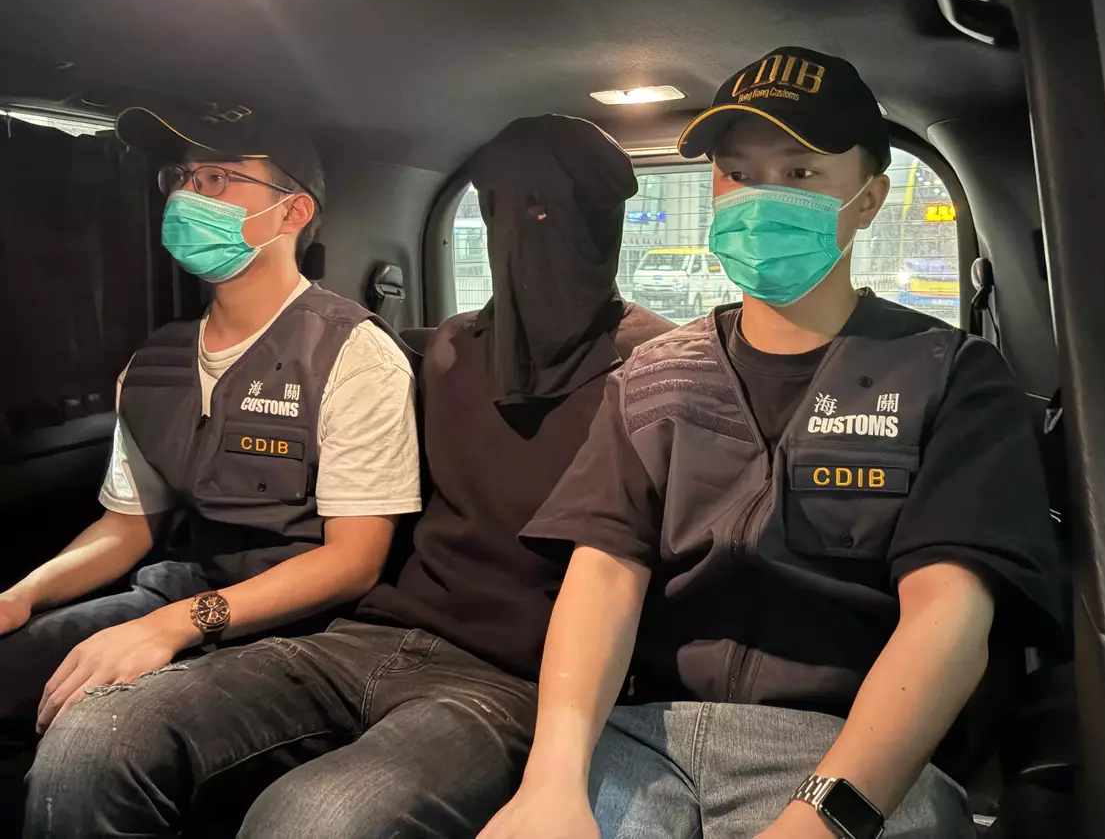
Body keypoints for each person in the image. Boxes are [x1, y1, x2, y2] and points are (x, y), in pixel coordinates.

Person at [23, 113, 673, 839]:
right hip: (371, 634)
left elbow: (629, 567)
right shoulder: (453, 351)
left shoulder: (657, 373)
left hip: (517, 675)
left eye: (549, 209)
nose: (520, 232)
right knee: (95, 738)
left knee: (312, 818)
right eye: (495, 208)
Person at [481, 48, 1064, 839]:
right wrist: (551, 780)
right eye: (738, 173)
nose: (762, 199)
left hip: (852, 749)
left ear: (869, 199)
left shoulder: (950, 376)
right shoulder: (653, 375)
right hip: (648, 738)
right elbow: (604, 572)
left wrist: (826, 816)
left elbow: (949, 615)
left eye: (800, 172)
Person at [0, 106, 422, 735]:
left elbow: (352, 562)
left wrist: (176, 625)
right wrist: (23, 594)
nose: (186, 197)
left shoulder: (353, 353)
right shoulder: (152, 365)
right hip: (177, 588)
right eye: (179, 178)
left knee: (100, 733)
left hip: (307, 625)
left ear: (292, 212)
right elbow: (127, 526)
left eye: (217, 179)